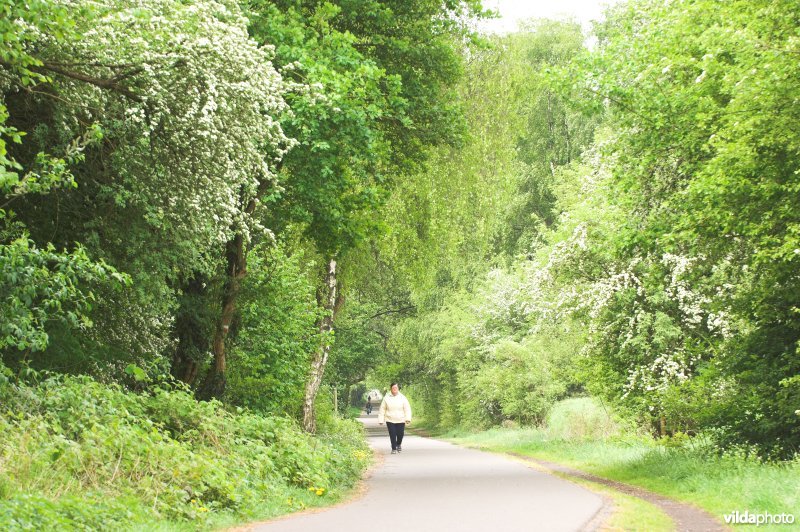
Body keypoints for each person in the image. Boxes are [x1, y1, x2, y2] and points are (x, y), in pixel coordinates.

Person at [377, 383, 412, 454]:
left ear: (398, 389)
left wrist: (408, 418)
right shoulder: (386, 398)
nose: (395, 389)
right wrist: (381, 420)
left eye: (396, 388)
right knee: (392, 434)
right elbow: (382, 409)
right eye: (393, 388)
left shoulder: (402, 397)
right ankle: (393, 448)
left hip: (401, 419)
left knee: (400, 434)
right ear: (391, 389)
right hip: (390, 419)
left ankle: (398, 444)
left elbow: (407, 409)